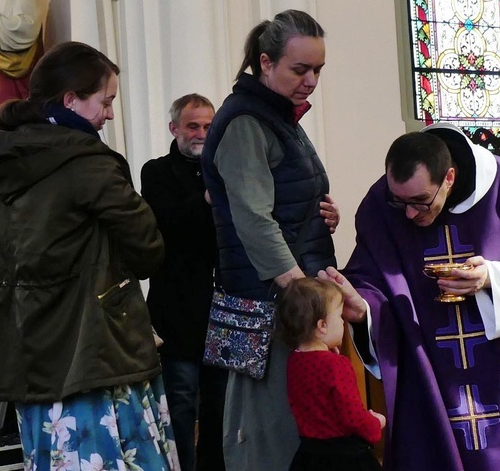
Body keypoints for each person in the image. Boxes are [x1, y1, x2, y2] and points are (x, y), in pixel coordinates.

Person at [321, 122, 500, 470]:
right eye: (400, 202)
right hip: (429, 370)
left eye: (420, 201)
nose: (409, 214)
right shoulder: (381, 203)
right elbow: (369, 279)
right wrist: (364, 310)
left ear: (449, 177)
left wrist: (494, 276)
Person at [0, 41, 180, 471]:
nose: (110, 113)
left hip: (30, 353)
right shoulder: (88, 163)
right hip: (93, 352)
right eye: (106, 101)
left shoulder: (0, 163)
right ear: (70, 100)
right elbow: (147, 250)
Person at [201, 9, 340, 470]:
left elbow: (284, 199)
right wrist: (300, 288)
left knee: (296, 427)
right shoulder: (245, 121)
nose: (311, 80)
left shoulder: (277, 116)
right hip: (266, 303)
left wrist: (322, 215)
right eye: (300, 69)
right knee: (264, 436)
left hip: (283, 296)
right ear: (265, 62)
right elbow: (253, 219)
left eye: (318, 69)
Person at [141, 93, 228, 471]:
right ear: (174, 128)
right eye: (193, 125)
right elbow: (164, 226)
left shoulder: (227, 169)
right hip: (177, 311)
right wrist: (207, 199)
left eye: (209, 126)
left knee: (221, 408)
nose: (202, 133)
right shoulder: (156, 171)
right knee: (179, 405)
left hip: (224, 310)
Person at [276, 277, 385, 471]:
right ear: (322, 326)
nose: (343, 323)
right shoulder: (336, 365)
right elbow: (351, 416)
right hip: (344, 458)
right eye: (339, 317)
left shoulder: (294, 360)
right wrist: (375, 423)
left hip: (309, 456)